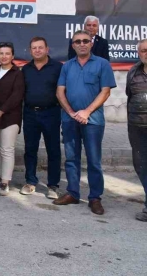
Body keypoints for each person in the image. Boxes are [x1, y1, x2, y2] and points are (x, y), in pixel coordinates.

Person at [54, 30, 117, 215]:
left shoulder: (102, 64)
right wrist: (71, 112)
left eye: (85, 41)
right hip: (69, 120)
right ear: (73, 45)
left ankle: (95, 198)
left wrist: (86, 112)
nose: (82, 44)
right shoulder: (67, 66)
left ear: (91, 43)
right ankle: (73, 193)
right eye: (77, 41)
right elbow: (59, 92)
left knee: (94, 160)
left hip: (93, 121)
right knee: (71, 159)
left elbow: (105, 91)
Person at [20, 37, 63, 199]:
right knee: (30, 149)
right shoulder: (26, 69)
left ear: (47, 49)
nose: (37, 50)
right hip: (30, 114)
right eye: (34, 48)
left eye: (40, 47)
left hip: (51, 113)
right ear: (30, 51)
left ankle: (53, 185)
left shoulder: (58, 67)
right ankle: (31, 181)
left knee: (53, 150)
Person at [0, 42, 24, 196]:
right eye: (1, 53)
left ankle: (5, 182)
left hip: (10, 117)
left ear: (12, 56)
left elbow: (17, 96)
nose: (4, 56)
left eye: (7, 53)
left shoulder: (17, 73)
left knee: (7, 149)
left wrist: (1, 111)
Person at [126, 39, 147, 222]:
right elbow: (130, 96)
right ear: (139, 53)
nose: (146, 53)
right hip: (137, 127)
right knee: (140, 165)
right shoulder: (132, 72)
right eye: (143, 50)